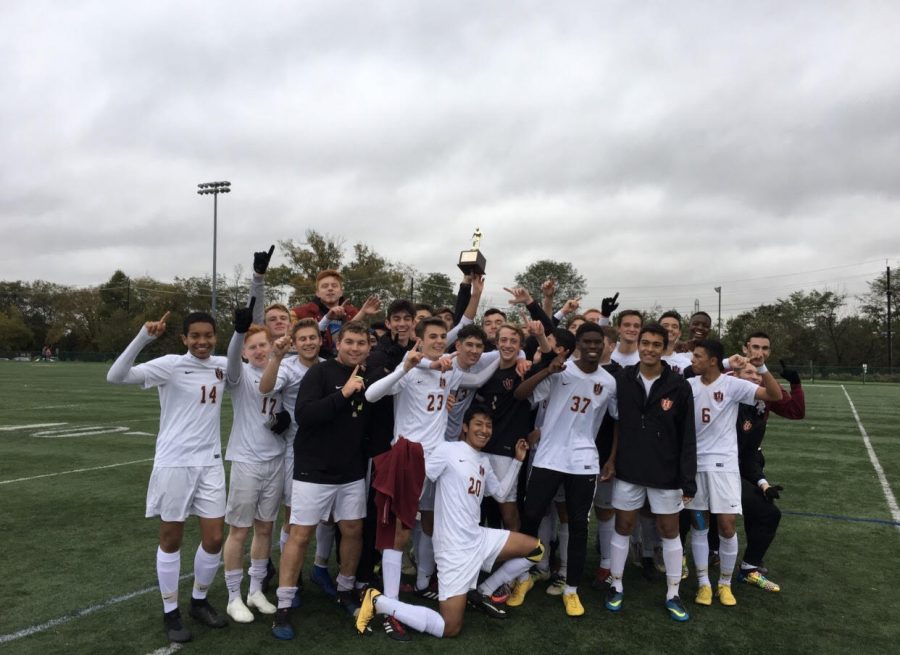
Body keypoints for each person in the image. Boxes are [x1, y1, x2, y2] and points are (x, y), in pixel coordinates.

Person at [363, 317, 500, 639]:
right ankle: (390, 604)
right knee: (399, 533)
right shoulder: (410, 367)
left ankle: (430, 582)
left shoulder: (448, 368)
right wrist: (406, 367)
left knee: (437, 519)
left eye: (442, 336)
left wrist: (517, 357)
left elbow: (477, 371)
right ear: (419, 339)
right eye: (433, 336)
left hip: (439, 454)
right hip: (410, 455)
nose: (439, 341)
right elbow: (371, 395)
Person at [355, 406, 543, 638]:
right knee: (450, 628)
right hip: (453, 549)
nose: (484, 430)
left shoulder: (483, 460)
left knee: (535, 550)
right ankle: (378, 601)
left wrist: (517, 461)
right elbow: (423, 476)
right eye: (478, 424)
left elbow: (501, 494)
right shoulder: (447, 450)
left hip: (479, 538)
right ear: (465, 427)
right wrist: (406, 511)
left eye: (488, 425)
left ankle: (482, 591)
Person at [107, 310, 232, 643]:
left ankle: (199, 601)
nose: (202, 342)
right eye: (195, 336)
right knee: (171, 538)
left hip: (211, 463)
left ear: (216, 337)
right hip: (175, 463)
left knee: (215, 538)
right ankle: (170, 611)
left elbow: (260, 355)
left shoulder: (223, 364)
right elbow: (116, 376)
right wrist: (143, 337)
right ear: (184, 339)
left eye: (208, 335)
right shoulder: (170, 364)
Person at [272, 323, 374, 639]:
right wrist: (342, 394)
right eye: (349, 342)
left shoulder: (370, 377)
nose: (355, 348)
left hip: (351, 470)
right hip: (313, 469)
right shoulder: (320, 373)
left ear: (369, 347)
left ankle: (345, 590)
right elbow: (305, 414)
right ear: (338, 343)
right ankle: (284, 604)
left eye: (361, 343)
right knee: (301, 534)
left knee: (352, 529)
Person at [511, 322, 618, 616]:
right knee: (531, 515)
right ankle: (524, 577)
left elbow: (617, 420)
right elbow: (521, 395)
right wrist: (547, 370)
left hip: (584, 460)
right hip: (548, 456)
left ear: (605, 344)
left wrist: (611, 458)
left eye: (599, 342)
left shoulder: (609, 381)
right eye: (588, 342)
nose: (593, 347)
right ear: (578, 345)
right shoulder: (561, 370)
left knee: (579, 524)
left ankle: (571, 589)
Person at [603, 324, 697, 622]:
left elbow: (687, 435)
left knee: (668, 530)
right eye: (645, 343)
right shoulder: (623, 378)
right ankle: (615, 584)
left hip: (665, 470)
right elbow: (614, 423)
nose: (650, 349)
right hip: (629, 468)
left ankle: (673, 592)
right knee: (624, 526)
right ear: (639, 344)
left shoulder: (678, 385)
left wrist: (687, 477)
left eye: (657, 344)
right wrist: (612, 459)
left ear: (664, 346)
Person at [686, 339, 782, 607]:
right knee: (700, 526)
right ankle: (704, 584)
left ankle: (725, 584)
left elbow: (775, 396)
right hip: (695, 466)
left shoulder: (733, 385)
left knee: (727, 526)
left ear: (712, 360)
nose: (693, 360)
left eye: (698, 356)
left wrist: (761, 369)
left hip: (725, 467)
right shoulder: (689, 386)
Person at [222, 315, 286, 623]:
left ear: (272, 345)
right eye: (253, 347)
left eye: (263, 344)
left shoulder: (282, 371)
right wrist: (238, 333)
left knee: (265, 528)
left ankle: (255, 590)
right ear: (245, 352)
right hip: (247, 461)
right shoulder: (239, 374)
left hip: (276, 458)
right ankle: (233, 596)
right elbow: (233, 359)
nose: (259, 351)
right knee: (239, 531)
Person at [258, 318, 326, 599]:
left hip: (327, 449)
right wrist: (276, 356)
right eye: (303, 339)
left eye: (313, 337)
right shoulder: (288, 366)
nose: (309, 342)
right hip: (296, 451)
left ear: (320, 340)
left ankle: (315, 569)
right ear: (295, 344)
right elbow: (265, 388)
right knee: (293, 518)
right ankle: (291, 577)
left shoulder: (327, 366)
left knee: (322, 521)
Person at [735, 332, 805, 591]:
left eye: (764, 348)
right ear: (744, 348)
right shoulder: (728, 380)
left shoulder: (765, 385)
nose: (759, 353)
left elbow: (795, 411)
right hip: (718, 464)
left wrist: (795, 383)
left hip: (748, 461)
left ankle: (749, 565)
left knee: (761, 510)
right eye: (755, 347)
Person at [292, 269, 378, 358]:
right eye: (325, 286)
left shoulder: (351, 312)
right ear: (317, 293)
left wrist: (363, 312)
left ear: (341, 292)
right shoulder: (303, 313)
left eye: (334, 286)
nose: (330, 289)